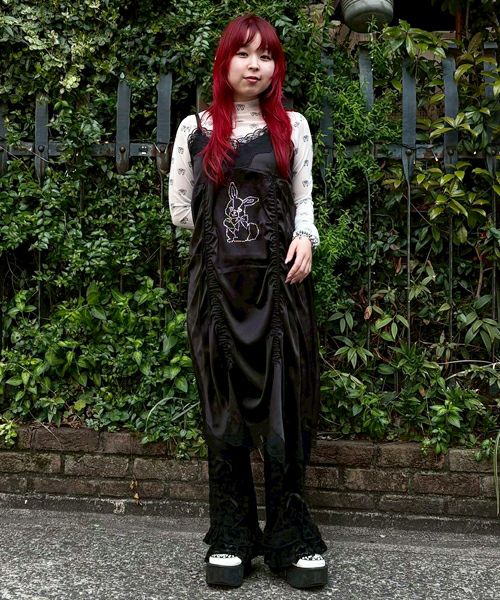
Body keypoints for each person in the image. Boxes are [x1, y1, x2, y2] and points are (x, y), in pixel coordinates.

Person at [168, 14, 327, 589]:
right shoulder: (195, 130)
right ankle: (232, 536)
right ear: (225, 61)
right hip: (215, 298)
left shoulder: (293, 126)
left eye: (265, 56)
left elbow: (304, 201)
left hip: (280, 297)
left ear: (275, 66)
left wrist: (304, 237)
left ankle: (290, 539)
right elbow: (181, 210)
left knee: (287, 415)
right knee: (224, 415)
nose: (254, 65)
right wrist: (227, 246)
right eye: (243, 54)